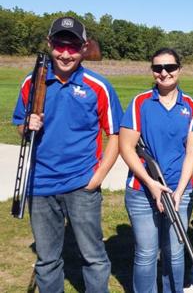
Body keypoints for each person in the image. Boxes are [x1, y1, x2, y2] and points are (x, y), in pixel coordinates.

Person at [12, 16, 122, 292]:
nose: (65, 53)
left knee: (94, 258)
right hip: (40, 185)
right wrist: (26, 125)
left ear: (84, 48)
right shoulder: (32, 82)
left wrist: (97, 177)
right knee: (47, 261)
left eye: (73, 47)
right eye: (60, 45)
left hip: (81, 185)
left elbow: (115, 135)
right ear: (50, 44)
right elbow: (18, 125)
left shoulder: (98, 86)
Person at [119, 48, 193, 292]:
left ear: (179, 69)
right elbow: (127, 148)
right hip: (142, 191)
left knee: (175, 252)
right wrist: (151, 183)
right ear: (152, 71)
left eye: (170, 67)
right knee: (146, 253)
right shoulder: (140, 102)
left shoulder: (192, 106)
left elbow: (191, 152)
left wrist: (178, 192)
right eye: (158, 68)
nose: (164, 73)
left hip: (179, 191)